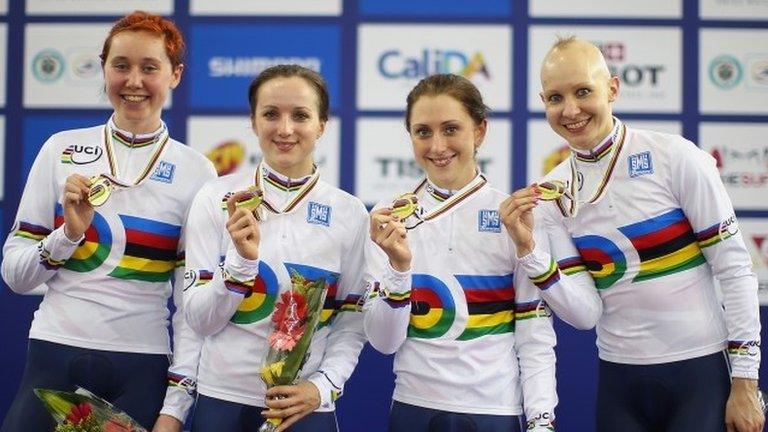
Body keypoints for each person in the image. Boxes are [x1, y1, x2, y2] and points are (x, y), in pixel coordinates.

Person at [527, 36, 764, 432]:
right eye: (555, 97)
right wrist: (529, 251)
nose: (570, 110)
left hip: (700, 373)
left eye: (583, 91)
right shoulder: (552, 193)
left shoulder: (674, 157)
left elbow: (735, 268)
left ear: (612, 89)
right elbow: (585, 315)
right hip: (620, 382)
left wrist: (745, 382)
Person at [0, 11, 216, 432]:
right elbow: (16, 277)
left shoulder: (197, 172)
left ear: (175, 75)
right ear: (103, 68)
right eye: (121, 66)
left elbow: (191, 308)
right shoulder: (61, 149)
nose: (134, 81)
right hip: (52, 351)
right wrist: (68, 236)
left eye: (150, 68)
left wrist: (175, 409)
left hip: (141, 365)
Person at [363, 73, 601, 432]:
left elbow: (535, 334)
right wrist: (398, 268)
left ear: (480, 131)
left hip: (494, 413)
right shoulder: (387, 219)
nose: (437, 145)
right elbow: (384, 342)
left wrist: (540, 420)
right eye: (423, 131)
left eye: (451, 129)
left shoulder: (516, 216)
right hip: (413, 409)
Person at [181, 64, 368, 432]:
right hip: (222, 403)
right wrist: (240, 264)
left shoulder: (350, 213)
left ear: (322, 124)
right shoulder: (215, 197)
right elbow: (200, 320)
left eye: (300, 115)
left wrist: (323, 387)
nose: (285, 129)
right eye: (270, 114)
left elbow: (352, 322)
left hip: (305, 411)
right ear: (252, 121)